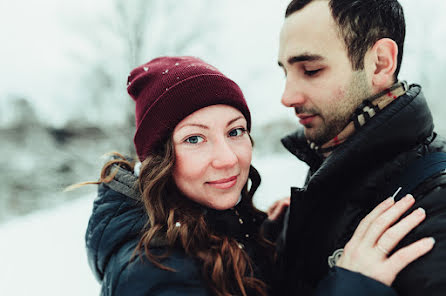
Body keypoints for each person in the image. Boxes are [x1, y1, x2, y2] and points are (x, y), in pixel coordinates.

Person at [84, 56, 432, 296]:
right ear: (159, 157)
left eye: (235, 132)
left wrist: (266, 232)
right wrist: (353, 286)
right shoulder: (155, 273)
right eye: (194, 138)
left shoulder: (214, 226)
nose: (227, 158)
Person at [276, 0, 446, 295]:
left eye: (311, 70)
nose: (287, 96)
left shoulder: (434, 208)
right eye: (285, 72)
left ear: (380, 63)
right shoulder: (328, 168)